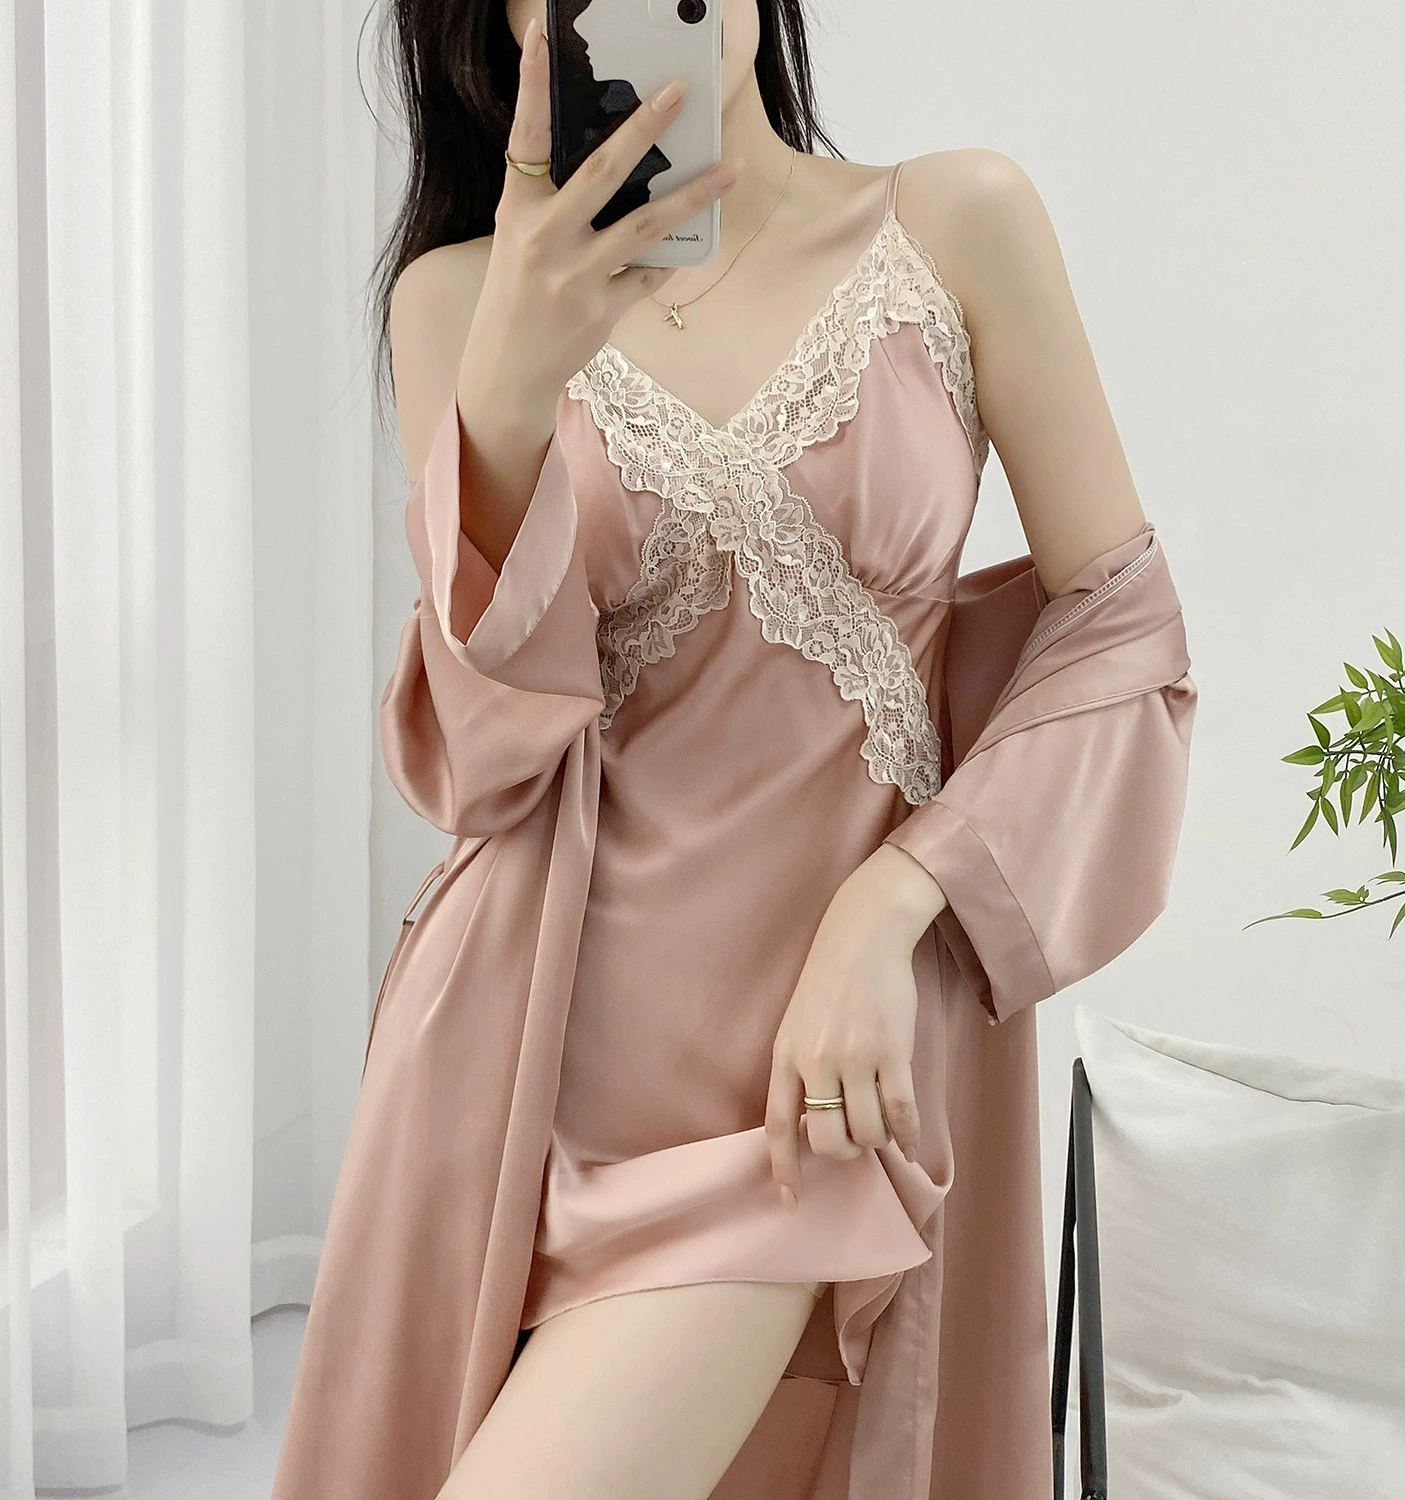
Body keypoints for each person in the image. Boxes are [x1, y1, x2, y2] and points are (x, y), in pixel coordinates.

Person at [269, 3, 1197, 1499]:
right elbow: (487, 762)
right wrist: (512, 384)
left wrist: (897, 902)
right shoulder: (460, 300)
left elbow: (1122, 637)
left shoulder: (957, 223)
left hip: (813, 1097)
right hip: (527, 1080)